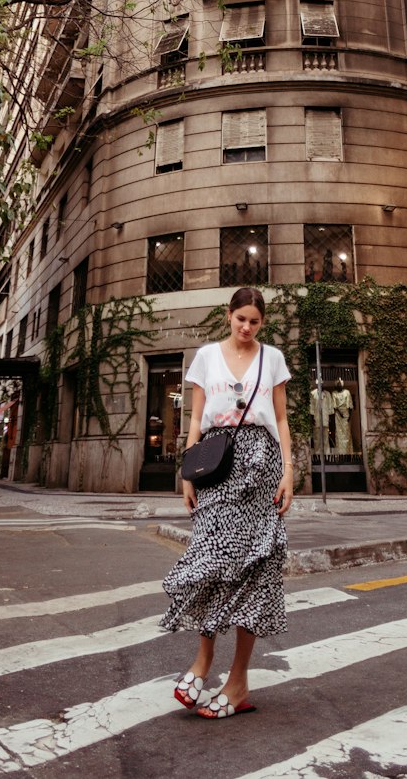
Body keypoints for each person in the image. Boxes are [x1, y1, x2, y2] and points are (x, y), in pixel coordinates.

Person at [161, 286, 294, 719]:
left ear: (262, 322)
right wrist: (187, 472)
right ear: (228, 314)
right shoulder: (206, 356)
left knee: (254, 569)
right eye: (241, 319)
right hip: (216, 464)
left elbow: (281, 417)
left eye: (255, 321)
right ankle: (202, 661)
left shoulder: (272, 358)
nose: (247, 328)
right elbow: (195, 418)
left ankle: (237, 682)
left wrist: (290, 469)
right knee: (212, 562)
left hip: (263, 464)